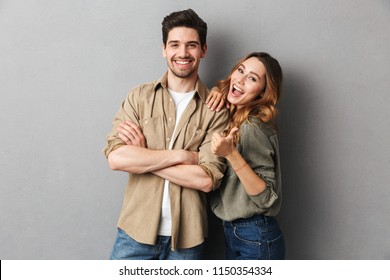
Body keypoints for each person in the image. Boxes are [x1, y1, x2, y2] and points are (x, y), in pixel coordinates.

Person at [102, 9, 229, 260]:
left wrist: (144, 158)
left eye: (191, 45)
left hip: (187, 240)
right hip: (134, 232)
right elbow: (117, 159)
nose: (182, 53)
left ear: (203, 50)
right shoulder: (139, 97)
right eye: (175, 45)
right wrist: (183, 156)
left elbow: (205, 179)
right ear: (164, 49)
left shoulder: (215, 109)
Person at [207, 52, 285, 259]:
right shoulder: (235, 118)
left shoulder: (252, 127)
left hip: (256, 233)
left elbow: (267, 197)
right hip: (239, 232)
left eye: (252, 78)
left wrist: (231, 154)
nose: (240, 79)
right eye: (240, 70)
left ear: (262, 93)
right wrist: (217, 91)